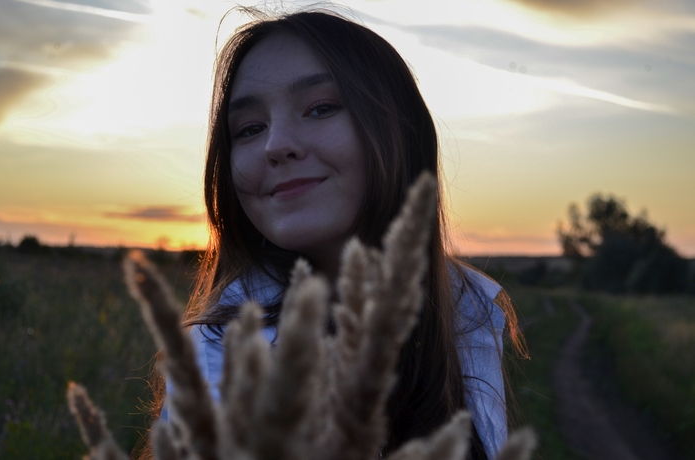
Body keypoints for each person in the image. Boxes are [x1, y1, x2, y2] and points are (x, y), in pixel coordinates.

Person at [157, 9, 526, 460]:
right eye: (250, 129)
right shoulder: (225, 355)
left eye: (321, 108)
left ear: (398, 129)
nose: (276, 144)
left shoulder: (467, 308)